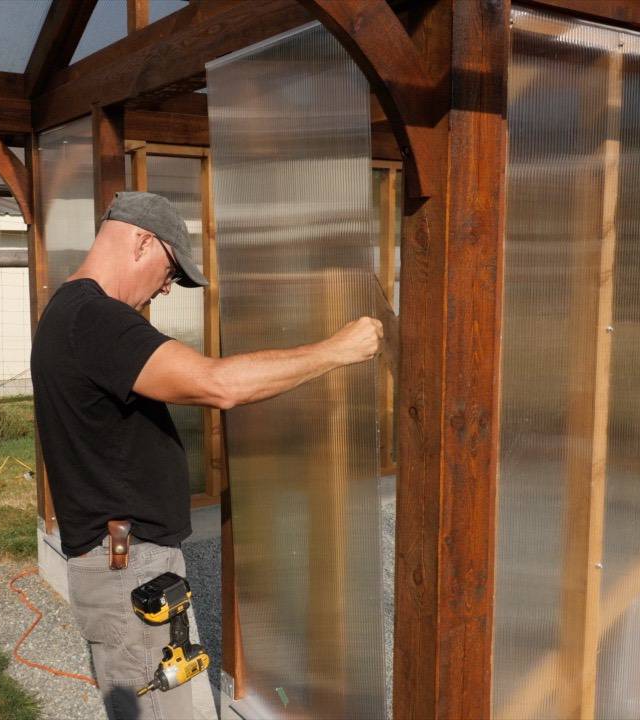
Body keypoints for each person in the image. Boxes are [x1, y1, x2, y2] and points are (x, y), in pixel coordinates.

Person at [30, 191, 383, 720]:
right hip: (127, 564)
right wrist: (338, 350)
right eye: (172, 270)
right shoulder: (96, 320)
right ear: (142, 241)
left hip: (126, 560)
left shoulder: (68, 311)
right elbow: (217, 384)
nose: (168, 288)